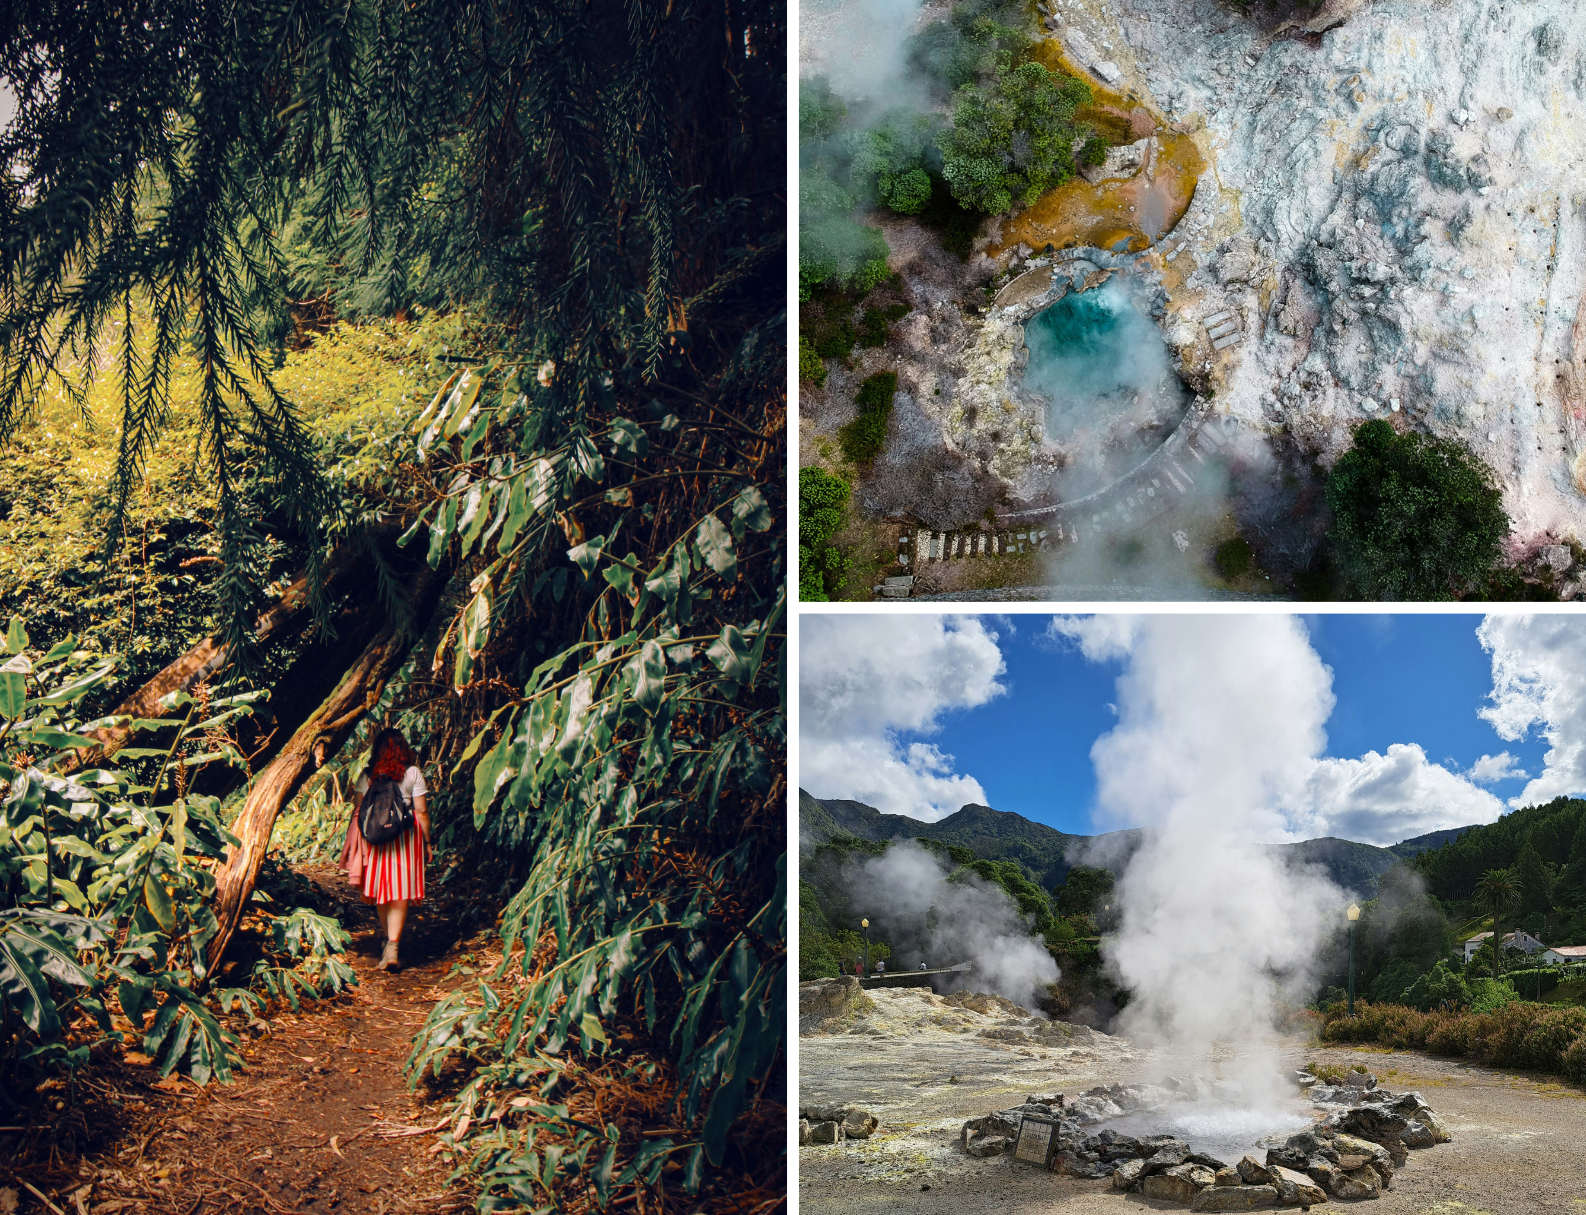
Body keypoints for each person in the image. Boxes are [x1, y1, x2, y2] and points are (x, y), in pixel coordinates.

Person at [338, 727, 430, 972]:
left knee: (381, 890)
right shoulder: (412, 774)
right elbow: (421, 812)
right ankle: (393, 945)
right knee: (399, 892)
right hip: (405, 840)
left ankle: (388, 942)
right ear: (403, 749)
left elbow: (360, 813)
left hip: (375, 841)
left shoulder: (367, 776)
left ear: (376, 750)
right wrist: (427, 844)